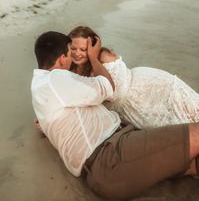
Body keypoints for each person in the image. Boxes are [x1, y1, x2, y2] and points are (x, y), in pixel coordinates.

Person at [31, 30, 199, 200]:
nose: (74, 56)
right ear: (62, 58)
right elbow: (106, 86)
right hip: (112, 156)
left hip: (109, 166)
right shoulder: (56, 78)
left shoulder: (40, 88)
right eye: (70, 51)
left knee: (191, 163)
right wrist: (94, 58)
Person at [68, 26, 199, 129]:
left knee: (190, 112)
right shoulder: (74, 67)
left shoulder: (103, 56)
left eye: (83, 49)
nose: (77, 53)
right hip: (131, 108)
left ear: (92, 48)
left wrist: (92, 57)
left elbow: (113, 92)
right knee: (178, 131)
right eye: (74, 48)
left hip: (149, 89)